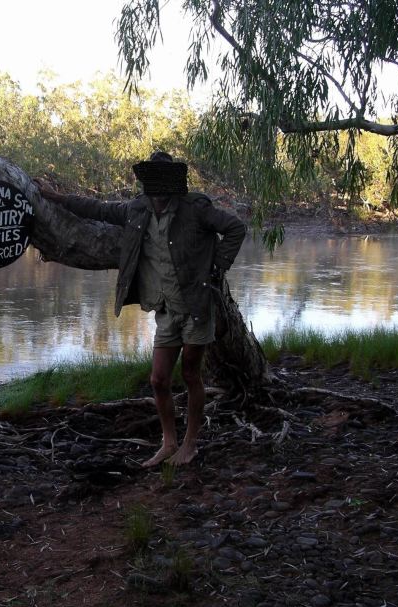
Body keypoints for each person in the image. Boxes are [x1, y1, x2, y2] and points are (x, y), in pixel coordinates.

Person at [35, 152, 246, 466]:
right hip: (166, 311)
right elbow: (98, 209)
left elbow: (235, 228)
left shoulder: (195, 208)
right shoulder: (137, 209)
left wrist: (217, 268)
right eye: (154, 180)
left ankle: (190, 445)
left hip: (196, 306)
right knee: (158, 380)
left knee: (190, 374)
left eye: (165, 180)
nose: (159, 189)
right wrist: (55, 197)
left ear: (174, 182)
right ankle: (168, 443)